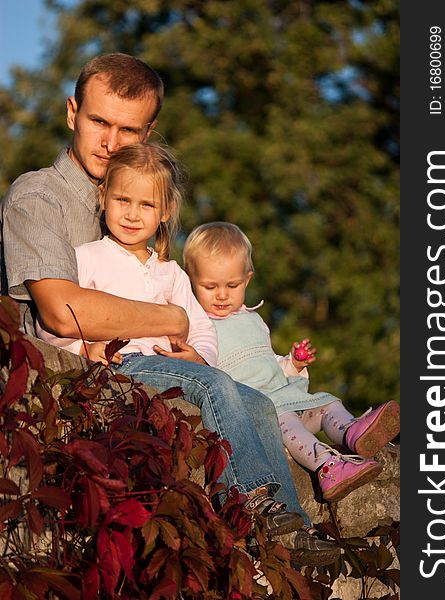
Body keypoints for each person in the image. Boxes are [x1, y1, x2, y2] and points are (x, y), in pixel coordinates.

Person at [0, 53, 340, 567]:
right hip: (70, 395)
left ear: (150, 133)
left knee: (255, 399)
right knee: (215, 388)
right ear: (72, 113)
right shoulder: (39, 197)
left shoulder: (138, 209)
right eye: (98, 122)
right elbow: (62, 312)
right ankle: (254, 503)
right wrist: (172, 321)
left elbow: (192, 304)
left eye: (128, 130)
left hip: (153, 378)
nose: (111, 142)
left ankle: (292, 526)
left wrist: (199, 344)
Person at [183, 222, 401, 502]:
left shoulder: (254, 320)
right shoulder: (198, 325)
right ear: (191, 281)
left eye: (232, 285)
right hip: (263, 411)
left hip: (288, 397)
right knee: (288, 422)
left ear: (247, 280)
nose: (222, 295)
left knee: (327, 402)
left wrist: (294, 364)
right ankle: (327, 466)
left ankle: (352, 432)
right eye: (210, 286)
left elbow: (268, 365)